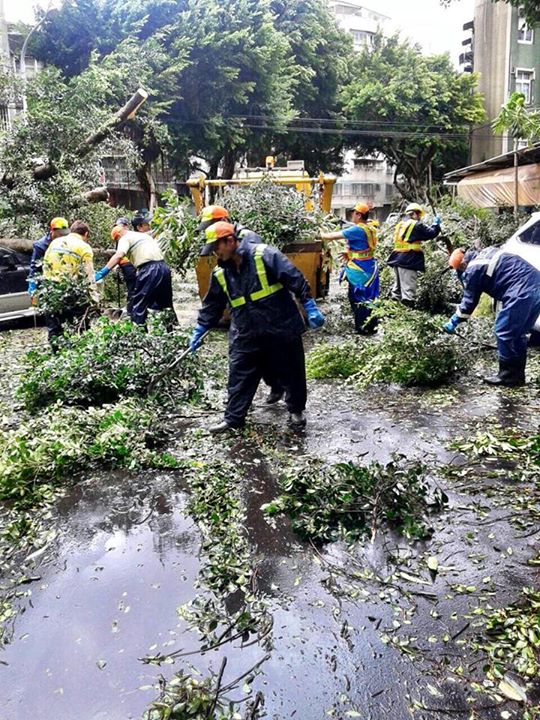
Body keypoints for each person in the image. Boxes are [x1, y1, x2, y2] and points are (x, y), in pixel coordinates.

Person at [189, 221, 325, 433]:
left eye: (217, 247)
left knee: (292, 371)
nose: (215, 253)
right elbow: (212, 305)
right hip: (246, 332)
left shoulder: (264, 255)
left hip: (280, 326)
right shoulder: (220, 273)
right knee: (239, 375)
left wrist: (309, 305)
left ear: (230, 241)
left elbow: (294, 278)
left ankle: (296, 411)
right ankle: (233, 419)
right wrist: (200, 329)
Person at [198, 204, 284, 403]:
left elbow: (250, 273)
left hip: (257, 309)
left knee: (261, 353)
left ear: (226, 222)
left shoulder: (248, 238)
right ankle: (239, 400)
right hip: (241, 310)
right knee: (240, 354)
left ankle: (276, 386)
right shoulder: (219, 244)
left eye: (213, 224)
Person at [443, 246, 540, 386]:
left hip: (522, 291)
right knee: (518, 334)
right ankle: (517, 376)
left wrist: (454, 320)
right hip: (536, 286)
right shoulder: (486, 253)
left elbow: (469, 302)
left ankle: (507, 376)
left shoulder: (473, 269)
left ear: (463, 265)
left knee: (503, 331)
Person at [94, 224, 177, 327]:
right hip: (164, 268)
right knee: (166, 304)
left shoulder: (124, 238)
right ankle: (173, 330)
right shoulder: (144, 236)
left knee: (138, 305)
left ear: (118, 235)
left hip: (149, 269)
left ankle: (138, 333)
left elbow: (119, 255)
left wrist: (103, 272)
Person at [321, 202, 380, 334]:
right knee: (370, 297)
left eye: (354, 213)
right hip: (370, 266)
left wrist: (316, 232)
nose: (352, 215)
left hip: (359, 270)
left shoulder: (357, 229)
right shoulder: (370, 228)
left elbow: (329, 237)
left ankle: (362, 328)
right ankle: (372, 327)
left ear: (359, 215)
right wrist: (349, 252)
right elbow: (365, 247)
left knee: (358, 298)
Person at [42, 220, 99, 346]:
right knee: (80, 325)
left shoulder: (55, 242)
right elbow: (89, 275)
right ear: (86, 234)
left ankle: (56, 353)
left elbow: (45, 264)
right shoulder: (84, 247)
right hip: (72, 291)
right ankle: (81, 351)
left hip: (51, 289)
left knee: (54, 327)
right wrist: (94, 298)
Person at [388, 203, 441, 306]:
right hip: (408, 259)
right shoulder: (416, 225)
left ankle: (394, 311)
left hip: (397, 258)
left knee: (397, 289)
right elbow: (430, 233)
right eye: (419, 216)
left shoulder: (401, 225)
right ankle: (408, 313)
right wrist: (436, 225)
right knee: (408, 291)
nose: (420, 218)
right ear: (415, 214)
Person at [28, 217, 70, 297]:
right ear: (52, 230)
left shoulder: (66, 242)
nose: (62, 236)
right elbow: (35, 267)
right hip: (46, 282)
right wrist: (33, 284)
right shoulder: (41, 246)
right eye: (60, 233)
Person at [114, 216, 137, 315]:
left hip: (130, 265)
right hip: (125, 265)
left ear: (125, 226)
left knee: (133, 288)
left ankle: (132, 310)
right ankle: (131, 309)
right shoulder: (119, 236)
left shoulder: (129, 236)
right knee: (131, 287)